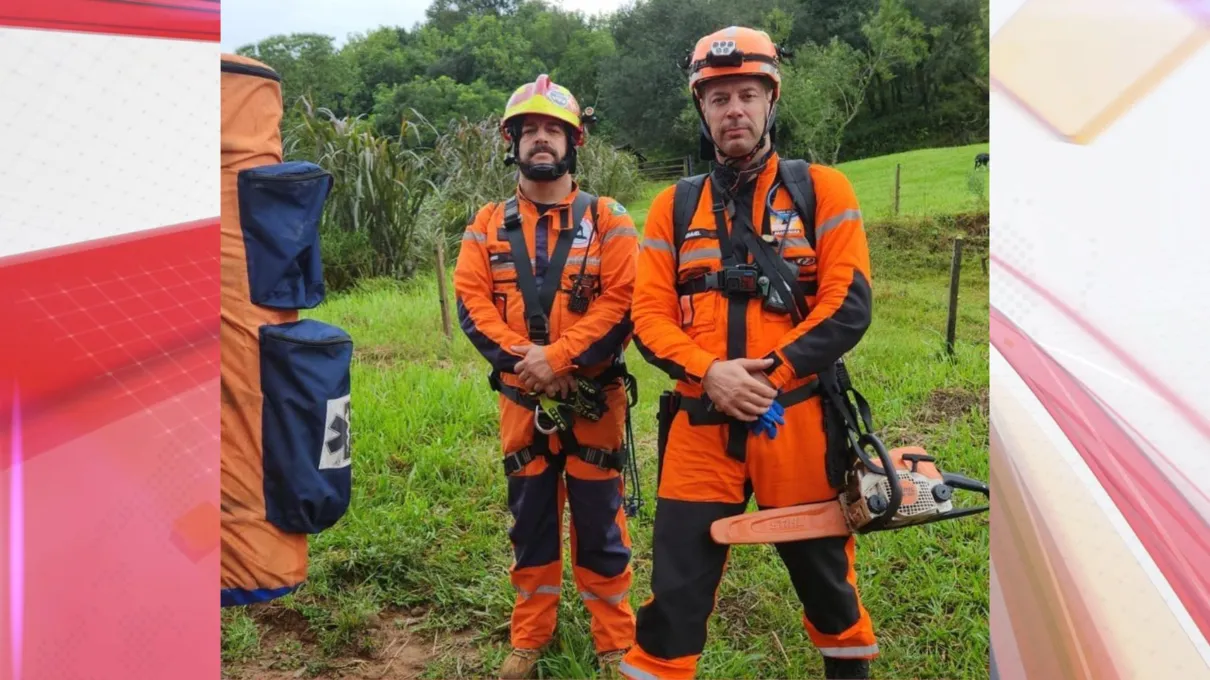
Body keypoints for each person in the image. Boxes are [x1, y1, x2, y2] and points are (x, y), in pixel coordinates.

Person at [619, 27, 878, 680]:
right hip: (698, 431)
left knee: (830, 588)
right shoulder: (670, 210)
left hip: (796, 423)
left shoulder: (824, 190)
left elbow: (848, 304)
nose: (733, 109)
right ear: (702, 112)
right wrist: (710, 374)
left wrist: (771, 375)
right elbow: (647, 318)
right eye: (718, 98)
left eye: (746, 95)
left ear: (770, 101)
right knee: (672, 599)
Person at [453, 73, 640, 679]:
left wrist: (557, 358)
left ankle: (614, 642)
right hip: (520, 401)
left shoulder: (610, 220)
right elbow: (472, 307)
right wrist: (528, 365)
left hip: (594, 400)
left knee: (600, 525)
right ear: (512, 142)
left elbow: (624, 303)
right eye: (528, 130)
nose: (540, 140)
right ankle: (528, 640)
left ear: (573, 142)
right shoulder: (484, 224)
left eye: (552, 130)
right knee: (530, 523)